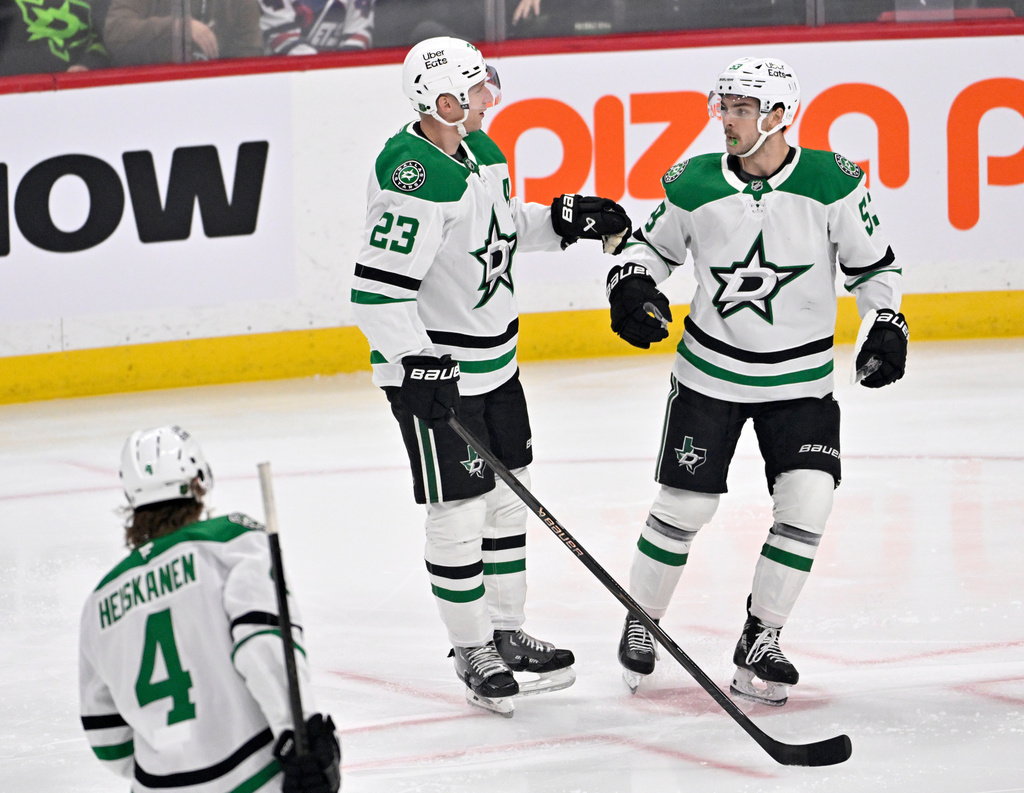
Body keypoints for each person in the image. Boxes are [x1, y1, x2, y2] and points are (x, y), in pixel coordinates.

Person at [608, 57, 909, 706]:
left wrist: (885, 320)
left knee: (807, 504)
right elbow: (651, 249)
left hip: (800, 382)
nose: (724, 120)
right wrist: (631, 284)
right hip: (711, 374)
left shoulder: (834, 182)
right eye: (724, 108)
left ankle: (761, 637)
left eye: (739, 110)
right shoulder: (692, 182)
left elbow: (873, 266)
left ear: (778, 116)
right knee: (685, 506)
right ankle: (641, 614)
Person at [350, 36, 631, 717]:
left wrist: (561, 221)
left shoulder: (482, 152)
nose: (489, 98)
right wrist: (416, 364)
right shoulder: (410, 176)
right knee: (457, 514)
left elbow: (498, 234)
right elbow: (376, 292)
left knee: (512, 501)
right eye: (478, 90)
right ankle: (472, 647)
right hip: (438, 372)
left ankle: (506, 630)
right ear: (445, 102)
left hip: (497, 364)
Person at [79, 425, 341, 792]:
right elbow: (262, 646)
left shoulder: (99, 601)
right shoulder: (233, 544)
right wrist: (305, 738)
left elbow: (110, 745)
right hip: (255, 778)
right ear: (199, 481)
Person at [103, 0, 261, 66]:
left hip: (217, 95)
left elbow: (250, 53)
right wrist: (178, 27)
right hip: (151, 94)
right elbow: (115, 31)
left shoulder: (240, 3)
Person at [0, 0, 110, 76]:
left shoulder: (97, 3)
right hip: (14, 85)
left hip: (77, 88)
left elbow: (106, 42)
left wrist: (88, 64)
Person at [259, 0, 374, 56]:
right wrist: (320, 67)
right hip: (286, 78)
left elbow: (359, 35)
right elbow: (281, 35)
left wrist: (339, 69)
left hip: (341, 77)